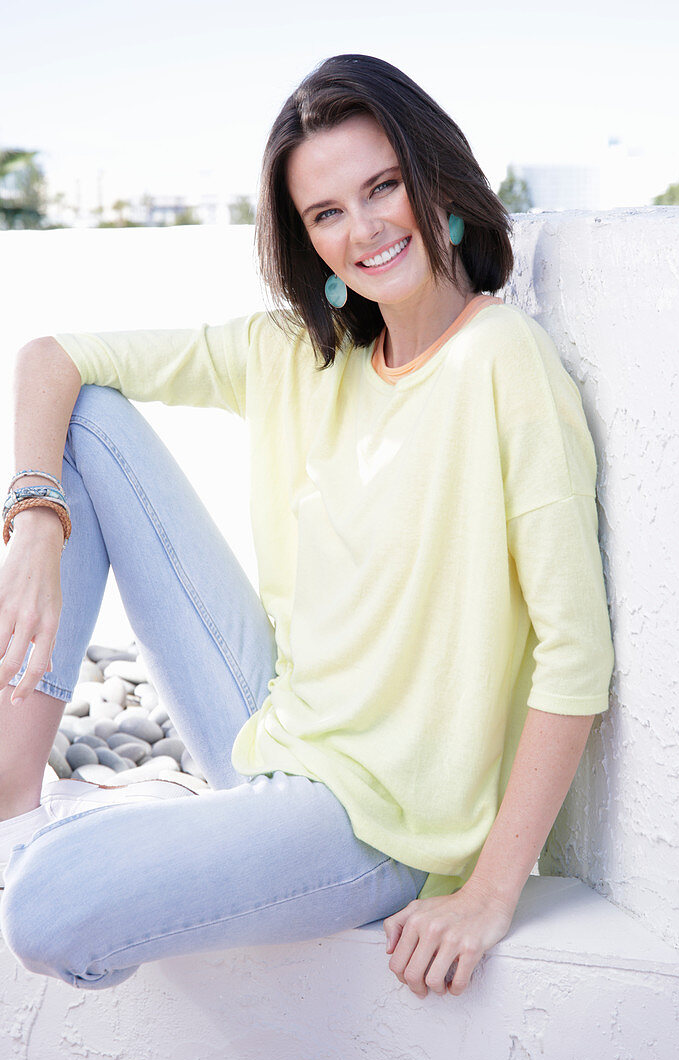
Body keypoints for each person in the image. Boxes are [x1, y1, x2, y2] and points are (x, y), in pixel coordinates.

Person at [0, 54, 614, 999]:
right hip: (273, 728)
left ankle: (137, 833)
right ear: (305, 238)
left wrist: (490, 892)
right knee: (86, 420)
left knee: (48, 910)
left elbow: (576, 657)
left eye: (381, 187)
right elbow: (52, 358)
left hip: (376, 829)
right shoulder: (297, 353)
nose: (363, 230)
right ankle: (11, 803)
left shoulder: (504, 364)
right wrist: (36, 521)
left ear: (433, 178)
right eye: (327, 213)